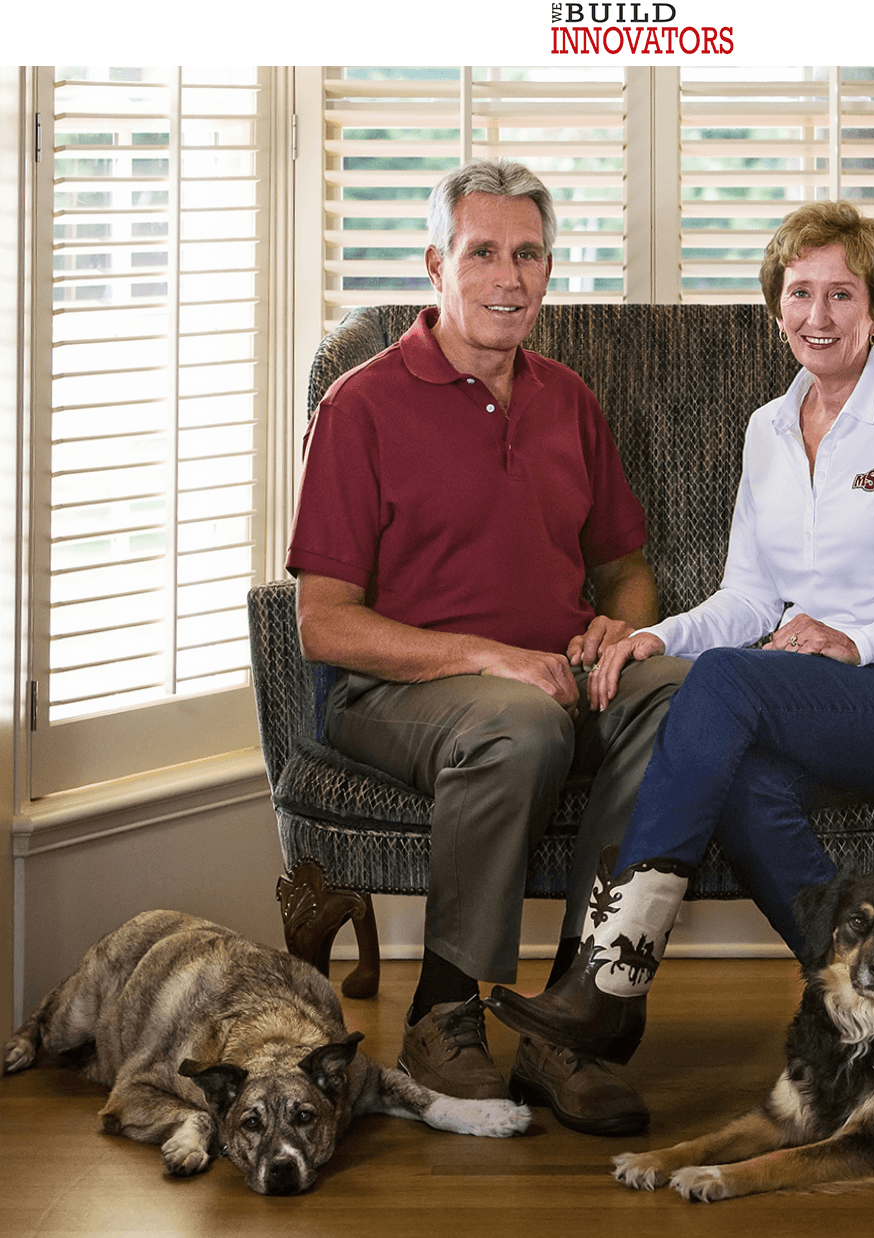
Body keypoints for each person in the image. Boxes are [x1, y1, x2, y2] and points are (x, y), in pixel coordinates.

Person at [485, 199, 874, 1068]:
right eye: (800, 293)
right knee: (741, 788)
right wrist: (654, 638)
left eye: (842, 295)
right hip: (843, 703)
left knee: (729, 681)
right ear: (778, 308)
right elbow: (749, 595)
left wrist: (860, 638)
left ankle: (609, 982)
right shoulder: (767, 432)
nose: (819, 317)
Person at [285, 158, 688, 1136]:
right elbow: (323, 622)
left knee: (686, 694)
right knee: (520, 723)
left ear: (549, 267)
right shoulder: (359, 407)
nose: (508, 277)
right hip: (392, 694)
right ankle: (441, 1011)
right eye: (482, 252)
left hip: (553, 675)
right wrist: (490, 657)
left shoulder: (566, 399)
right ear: (436, 263)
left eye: (528, 253)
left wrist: (619, 624)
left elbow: (624, 563)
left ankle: (573, 1021)